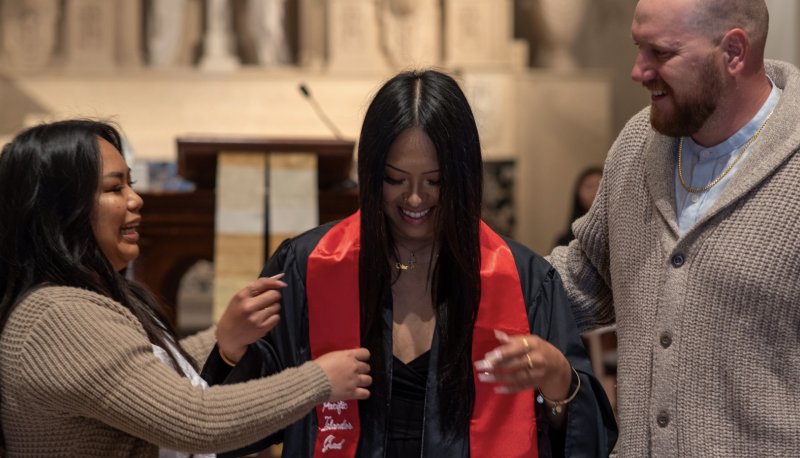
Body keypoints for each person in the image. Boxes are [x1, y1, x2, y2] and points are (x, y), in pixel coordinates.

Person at [202, 69, 617, 457]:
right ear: (369, 173)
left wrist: (560, 382)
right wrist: (229, 352)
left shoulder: (524, 280)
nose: (415, 199)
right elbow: (231, 432)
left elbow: (589, 441)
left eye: (434, 181)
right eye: (395, 179)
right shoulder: (310, 267)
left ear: (464, 176)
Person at [0, 119, 372, 456]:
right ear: (61, 210)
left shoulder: (78, 297)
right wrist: (319, 380)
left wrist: (224, 337)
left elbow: (145, 371)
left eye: (132, 183)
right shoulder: (60, 318)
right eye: (115, 188)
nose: (136, 200)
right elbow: (196, 422)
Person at [547, 0, 800, 455]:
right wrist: (470, 270)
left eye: (660, 53)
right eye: (638, 47)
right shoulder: (636, 144)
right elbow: (579, 281)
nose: (638, 71)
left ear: (734, 52)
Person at [553, 166, 603, 248]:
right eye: (589, 187)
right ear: (578, 193)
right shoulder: (564, 242)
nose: (595, 192)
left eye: (600, 186)